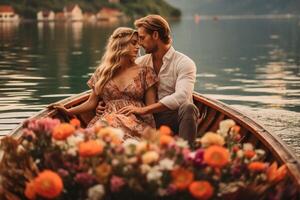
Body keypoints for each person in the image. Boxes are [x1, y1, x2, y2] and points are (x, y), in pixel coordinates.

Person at [51, 27, 158, 139]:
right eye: (134, 43)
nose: (138, 47)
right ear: (121, 45)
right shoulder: (102, 73)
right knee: (100, 130)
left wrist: (141, 116)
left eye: (138, 43)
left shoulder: (145, 72)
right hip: (107, 120)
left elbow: (150, 108)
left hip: (136, 120)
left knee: (111, 124)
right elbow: (91, 103)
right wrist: (68, 112)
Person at [117, 15, 199, 147]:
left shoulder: (185, 63)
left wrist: (145, 110)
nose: (139, 43)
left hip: (174, 119)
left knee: (188, 107)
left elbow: (182, 96)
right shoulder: (140, 63)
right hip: (145, 119)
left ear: (155, 35)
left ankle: (186, 155)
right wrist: (102, 103)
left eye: (142, 38)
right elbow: (120, 85)